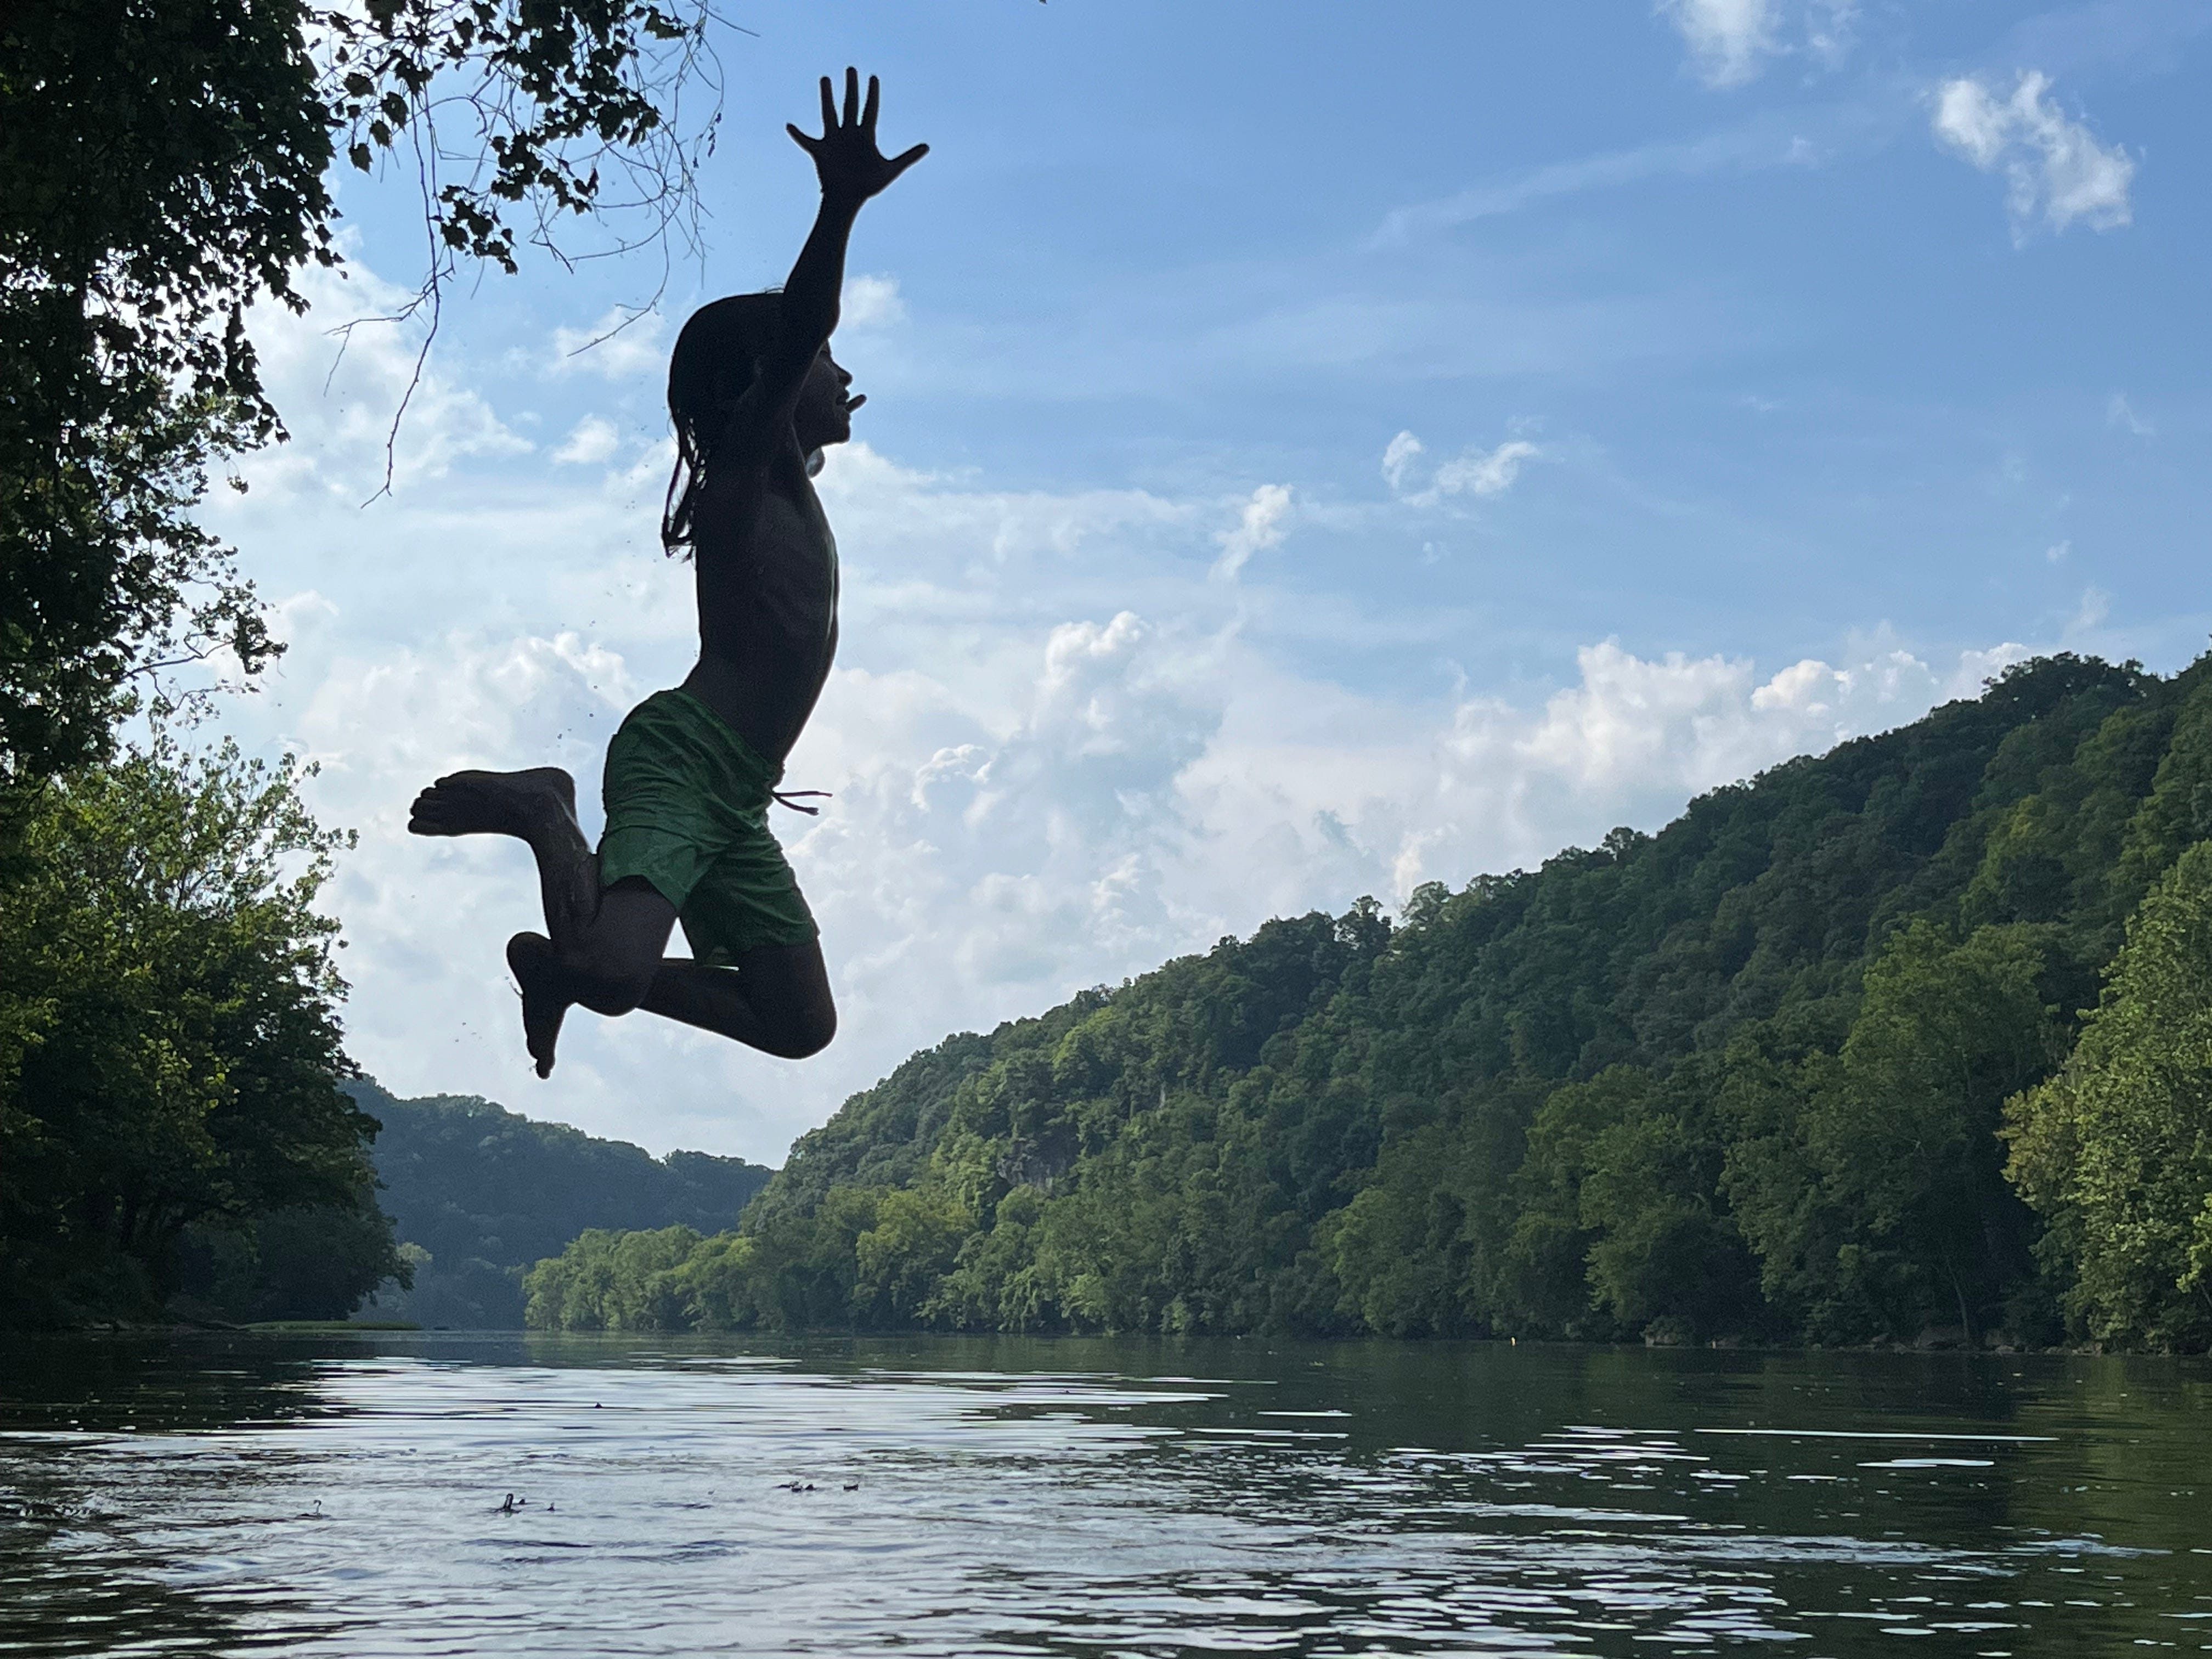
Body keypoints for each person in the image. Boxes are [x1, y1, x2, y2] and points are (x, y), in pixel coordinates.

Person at [408, 68, 927, 1078]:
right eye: (822, 361)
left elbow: (800, 350)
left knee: (798, 1022)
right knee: (610, 976)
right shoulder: (742, 482)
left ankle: (566, 968)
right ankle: (543, 810)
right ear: (764, 384)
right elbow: (799, 331)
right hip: (683, 763)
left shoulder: (787, 492)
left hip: (736, 791)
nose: (842, 373)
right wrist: (839, 205)